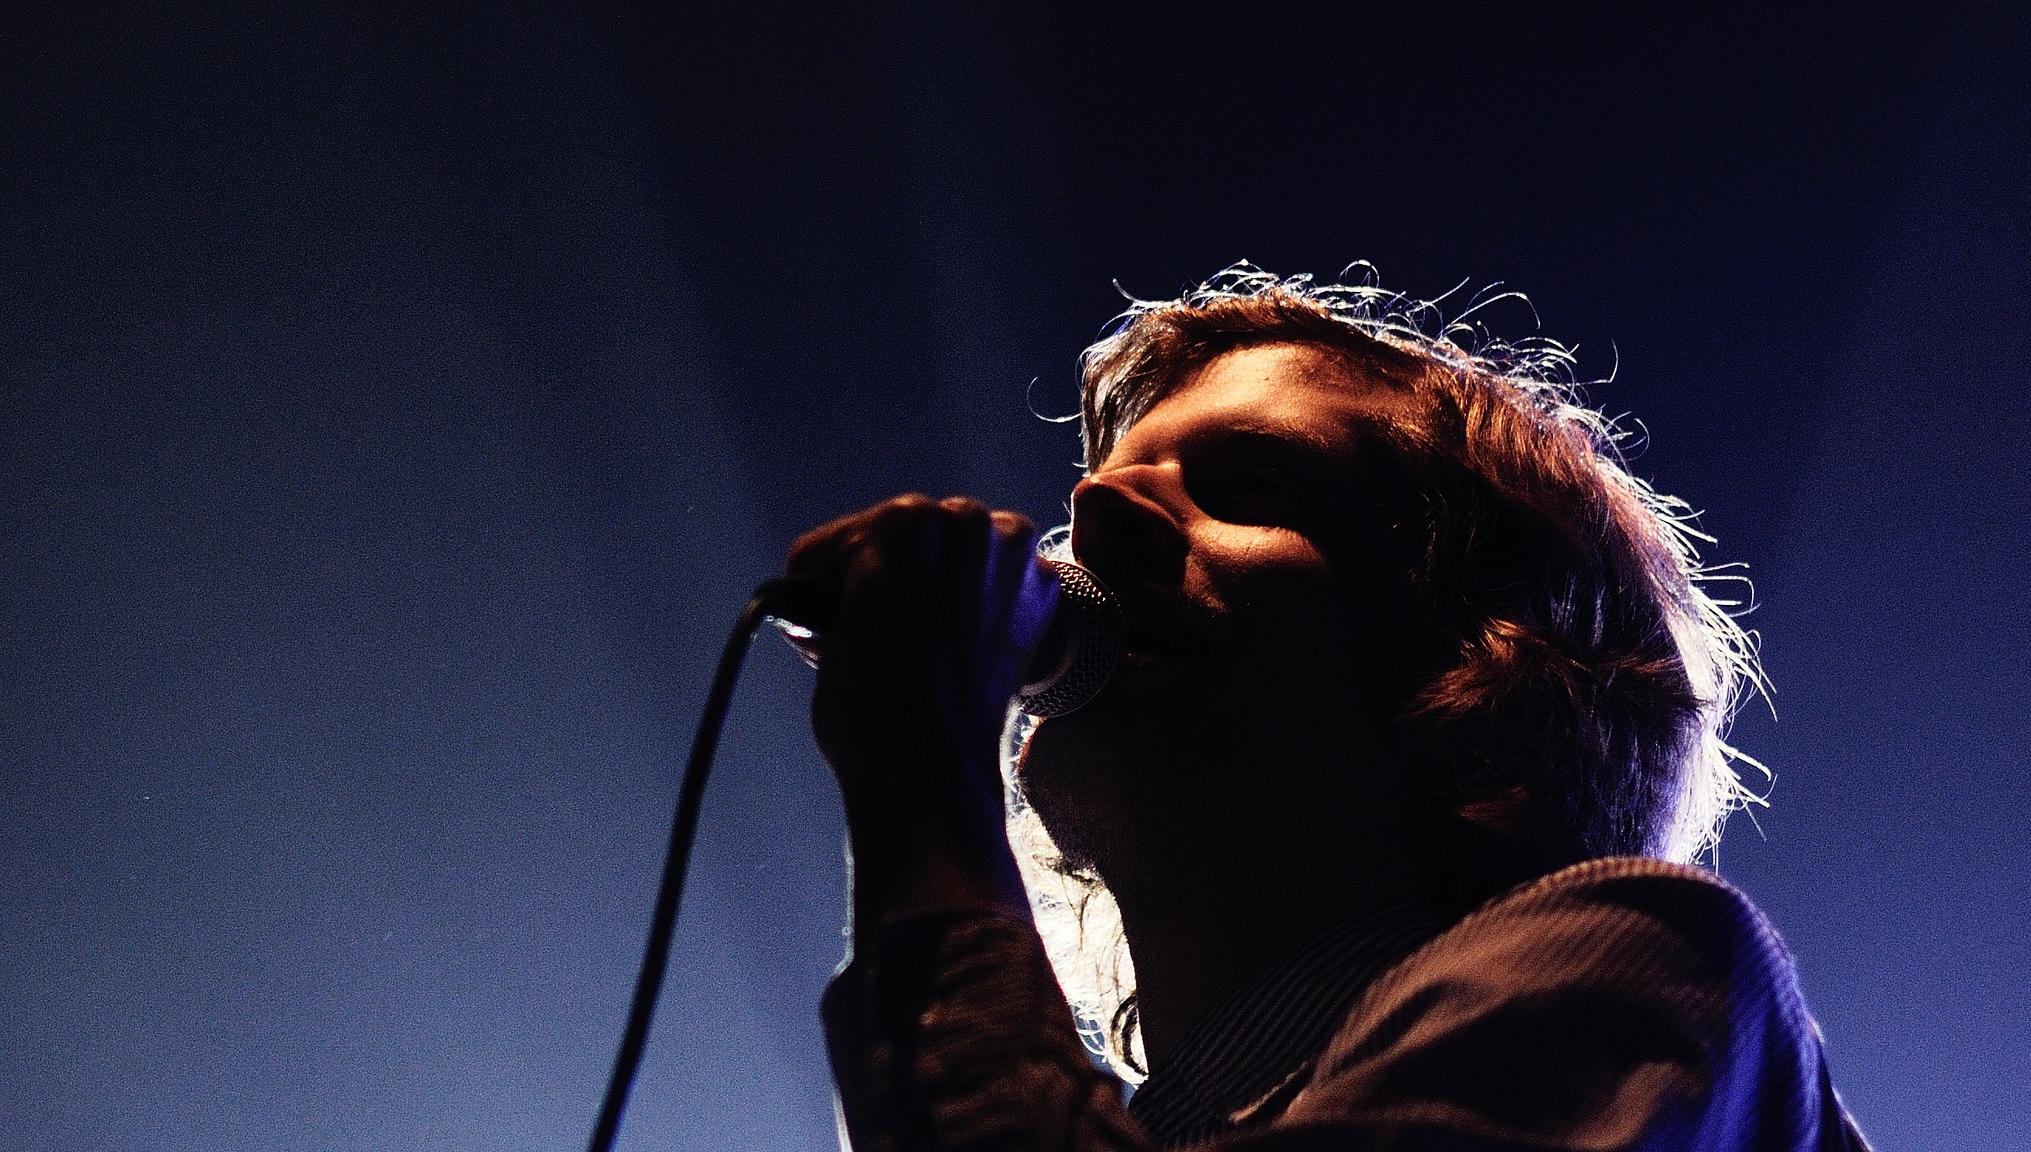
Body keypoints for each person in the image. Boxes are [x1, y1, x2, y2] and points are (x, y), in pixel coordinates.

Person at [782, 264, 1872, 1150]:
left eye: (1251, 488)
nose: (1097, 506)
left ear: (1497, 664)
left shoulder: (1641, 972)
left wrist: (918, 770)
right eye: (1107, 480)